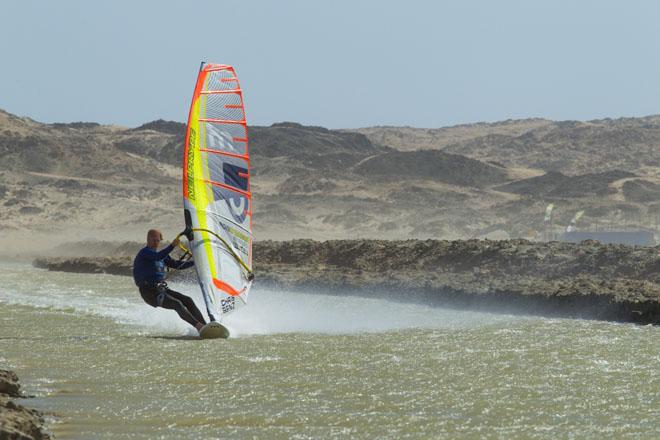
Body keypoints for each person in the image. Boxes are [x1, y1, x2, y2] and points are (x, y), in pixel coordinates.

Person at [133, 229, 207, 332]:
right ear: (148, 239)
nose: (156, 242)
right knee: (177, 304)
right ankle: (199, 327)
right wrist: (172, 245)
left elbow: (177, 265)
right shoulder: (145, 253)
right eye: (154, 239)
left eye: (158, 240)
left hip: (161, 289)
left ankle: (206, 326)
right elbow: (157, 256)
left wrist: (195, 262)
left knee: (188, 300)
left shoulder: (162, 256)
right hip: (149, 292)